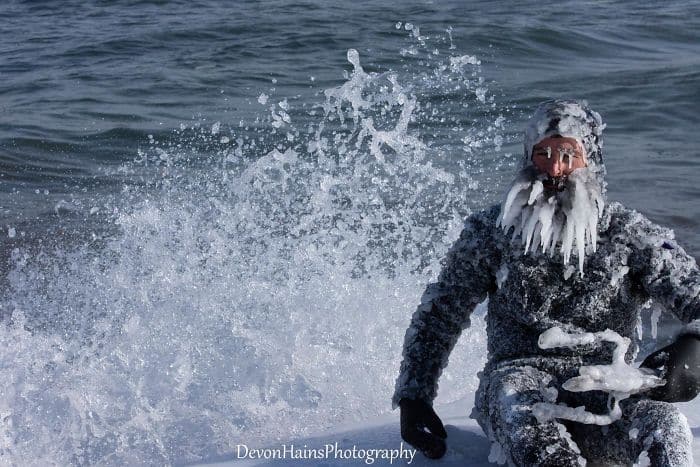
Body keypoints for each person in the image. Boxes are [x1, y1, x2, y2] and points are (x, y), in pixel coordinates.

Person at [393, 99, 700, 466]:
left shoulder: (629, 236)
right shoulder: (492, 233)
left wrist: (694, 350)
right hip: (517, 384)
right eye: (544, 153)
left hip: (607, 387)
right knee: (519, 406)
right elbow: (441, 313)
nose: (555, 169)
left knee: (665, 425)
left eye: (569, 154)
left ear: (592, 161)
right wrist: (414, 395)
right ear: (527, 155)